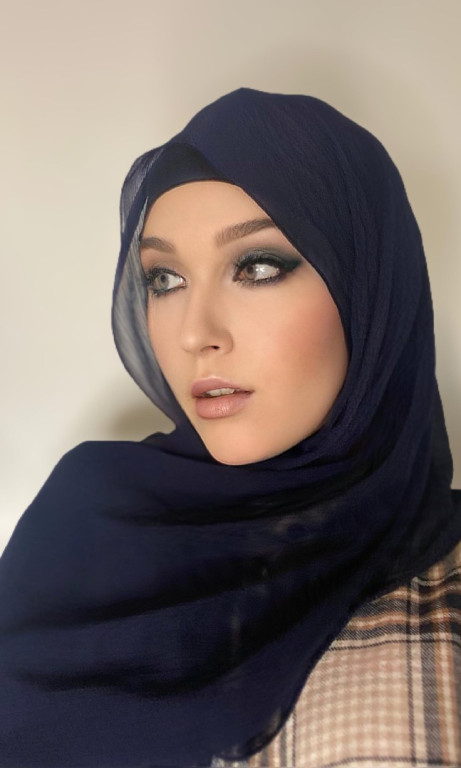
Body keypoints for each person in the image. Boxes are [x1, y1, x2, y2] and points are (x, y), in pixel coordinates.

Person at [0, 87, 460, 768]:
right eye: (164, 279)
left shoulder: (445, 592)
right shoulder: (80, 529)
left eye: (257, 267)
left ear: (369, 291)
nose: (195, 333)